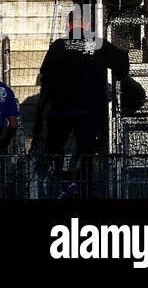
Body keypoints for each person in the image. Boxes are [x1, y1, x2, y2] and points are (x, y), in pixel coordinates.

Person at [37, 13, 131, 191]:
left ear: (69, 24)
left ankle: (58, 183)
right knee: (87, 153)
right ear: (87, 25)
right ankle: (85, 187)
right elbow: (122, 65)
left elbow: (45, 75)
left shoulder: (58, 45)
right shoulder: (98, 43)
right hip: (90, 110)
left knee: (55, 148)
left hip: (61, 110)